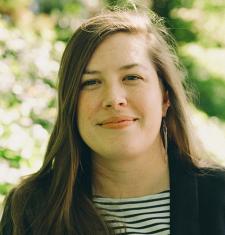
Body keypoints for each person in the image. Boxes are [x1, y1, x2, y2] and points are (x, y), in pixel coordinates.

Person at [0, 8, 225, 235]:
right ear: (71, 104)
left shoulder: (219, 197)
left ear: (165, 97)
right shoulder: (30, 210)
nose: (114, 99)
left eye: (132, 77)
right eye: (91, 82)